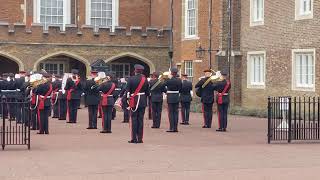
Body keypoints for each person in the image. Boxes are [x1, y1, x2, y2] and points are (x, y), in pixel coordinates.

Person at [126, 64, 149, 143]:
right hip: (142, 101)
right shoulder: (145, 79)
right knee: (140, 120)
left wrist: (127, 101)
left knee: (134, 119)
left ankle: (134, 138)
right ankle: (140, 138)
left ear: (135, 71)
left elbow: (127, 91)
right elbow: (147, 92)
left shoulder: (131, 79)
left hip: (134, 100)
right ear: (141, 71)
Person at [164, 67, 182, 132]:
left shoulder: (168, 80)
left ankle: (171, 128)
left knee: (171, 113)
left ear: (171, 73)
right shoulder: (179, 80)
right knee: (176, 113)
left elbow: (163, 85)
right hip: (176, 96)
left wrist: (167, 91)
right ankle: (175, 128)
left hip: (170, 96)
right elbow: (181, 88)